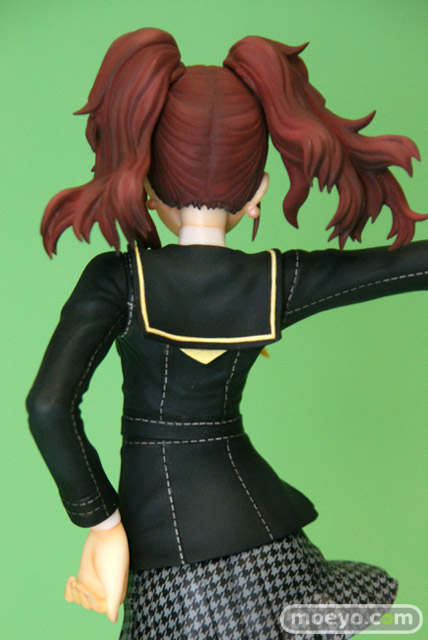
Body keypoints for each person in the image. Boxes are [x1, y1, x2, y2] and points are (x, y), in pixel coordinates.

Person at [26, 28, 428, 639]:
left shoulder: (118, 280)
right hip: (270, 545)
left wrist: (101, 523)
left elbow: (48, 406)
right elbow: (405, 266)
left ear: (148, 183)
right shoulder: (277, 278)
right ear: (258, 191)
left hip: (167, 559)